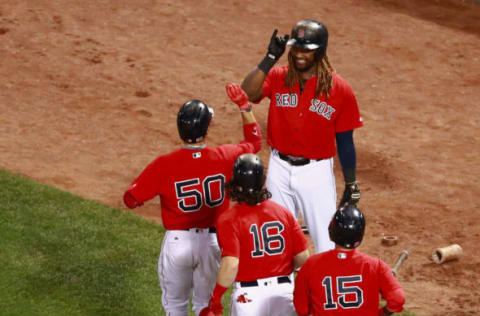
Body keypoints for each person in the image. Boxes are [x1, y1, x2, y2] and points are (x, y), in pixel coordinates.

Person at [123, 83, 262, 316]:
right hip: (212, 243)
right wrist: (244, 106)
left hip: (178, 244)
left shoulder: (163, 165)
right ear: (206, 129)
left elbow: (131, 199)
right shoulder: (225, 156)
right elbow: (255, 142)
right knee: (204, 307)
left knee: (175, 306)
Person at [240, 18, 363, 253]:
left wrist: (351, 182)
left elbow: (345, 141)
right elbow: (248, 92)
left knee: (327, 244)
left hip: (316, 174)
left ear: (320, 52)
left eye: (306, 50)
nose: (299, 54)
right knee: (276, 240)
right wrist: (269, 59)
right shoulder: (279, 77)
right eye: (296, 48)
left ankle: (322, 288)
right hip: (278, 167)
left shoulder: (340, 89)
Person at [200, 153, 310, 316]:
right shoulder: (283, 213)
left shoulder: (228, 219)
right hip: (284, 294)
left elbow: (231, 264)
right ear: (262, 181)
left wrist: (216, 297)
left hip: (248, 299)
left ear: (235, 183)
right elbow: (303, 257)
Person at [293, 205, 406, 315]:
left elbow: (301, 308)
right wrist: (383, 313)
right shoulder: (376, 266)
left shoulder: (311, 265)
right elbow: (398, 299)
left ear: (331, 232)